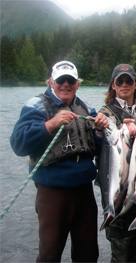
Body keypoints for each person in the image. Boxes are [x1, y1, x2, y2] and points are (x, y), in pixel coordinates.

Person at [10, 60, 109, 262]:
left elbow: (99, 151)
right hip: (52, 192)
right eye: (60, 80)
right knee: (50, 254)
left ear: (77, 84)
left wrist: (100, 131)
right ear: (51, 82)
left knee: (88, 253)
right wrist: (50, 124)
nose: (66, 84)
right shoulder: (35, 106)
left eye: (70, 80)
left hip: (84, 191)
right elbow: (18, 144)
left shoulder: (86, 109)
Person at [96, 63, 136, 262]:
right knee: (121, 252)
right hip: (119, 194)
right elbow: (105, 134)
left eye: (128, 80)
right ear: (112, 85)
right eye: (119, 81)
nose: (124, 84)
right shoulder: (104, 114)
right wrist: (106, 129)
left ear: (135, 84)